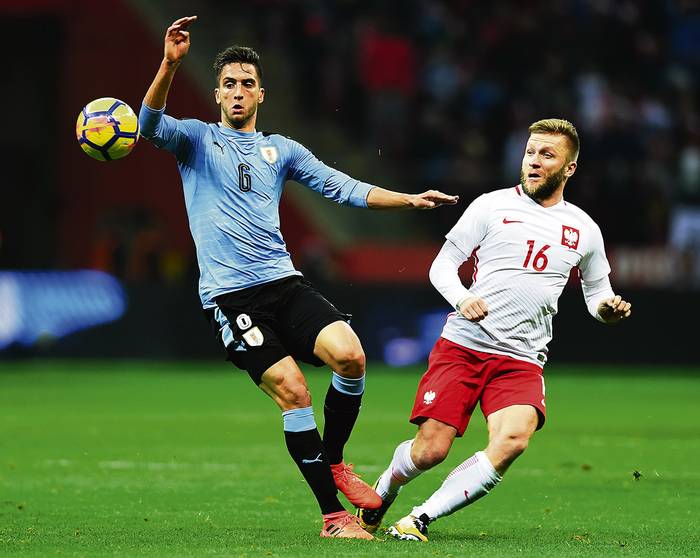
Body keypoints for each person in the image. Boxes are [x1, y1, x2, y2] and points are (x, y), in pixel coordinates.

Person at [138, 16, 458, 540]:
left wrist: (409, 198)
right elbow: (148, 125)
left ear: (261, 93)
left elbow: (342, 187)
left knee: (351, 355)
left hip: (283, 283)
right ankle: (333, 516)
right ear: (217, 94)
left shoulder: (280, 149)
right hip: (231, 296)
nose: (238, 91)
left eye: (247, 83)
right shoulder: (194, 141)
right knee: (293, 391)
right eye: (229, 84)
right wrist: (171, 64)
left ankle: (333, 460)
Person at [357, 118, 632, 541]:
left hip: (521, 359)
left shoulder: (584, 229)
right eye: (530, 152)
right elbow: (442, 266)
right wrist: (462, 297)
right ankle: (385, 488)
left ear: (569, 168)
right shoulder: (491, 205)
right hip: (465, 347)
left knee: (513, 441)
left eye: (547, 155)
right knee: (430, 451)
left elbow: (598, 295)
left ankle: (419, 519)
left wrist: (607, 310)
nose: (534, 162)